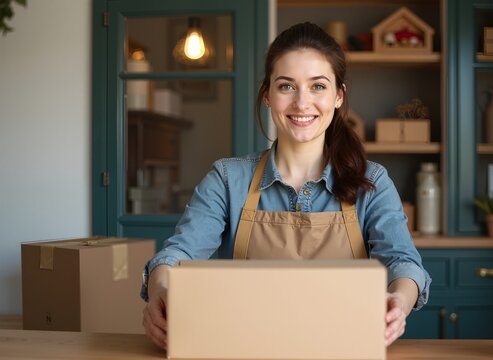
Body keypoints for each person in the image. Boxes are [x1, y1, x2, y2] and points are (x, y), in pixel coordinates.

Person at [141, 21, 431, 349]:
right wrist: (160, 293)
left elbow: (404, 262)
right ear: (267, 95)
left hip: (344, 348)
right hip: (246, 348)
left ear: (338, 96)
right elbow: (177, 254)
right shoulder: (227, 180)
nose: (301, 103)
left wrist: (399, 300)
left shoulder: (372, 182)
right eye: (286, 86)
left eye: (318, 86)